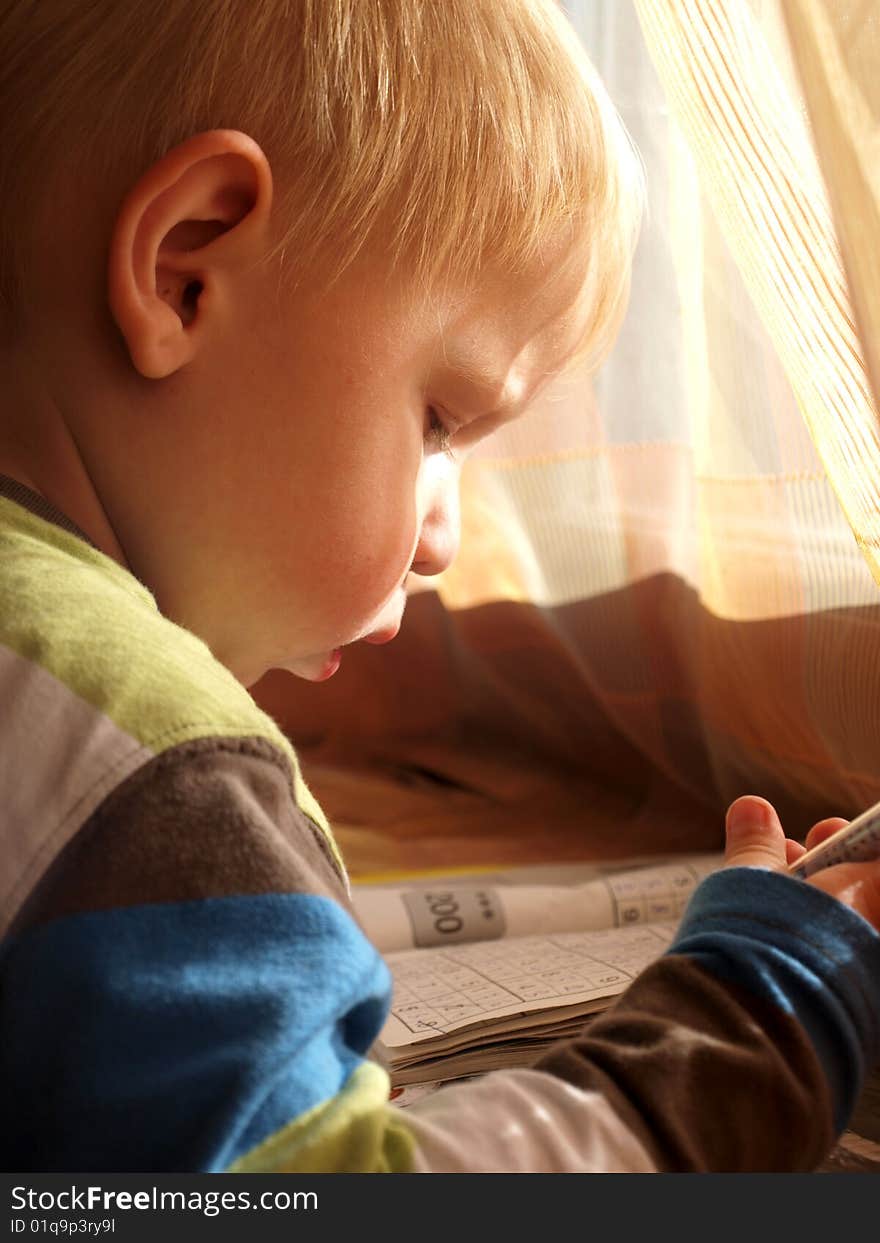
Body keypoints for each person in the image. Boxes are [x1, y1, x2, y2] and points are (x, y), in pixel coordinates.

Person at [0, 0, 877, 1174]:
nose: (442, 541)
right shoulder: (155, 789)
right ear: (184, 269)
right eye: (439, 420)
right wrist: (760, 1014)